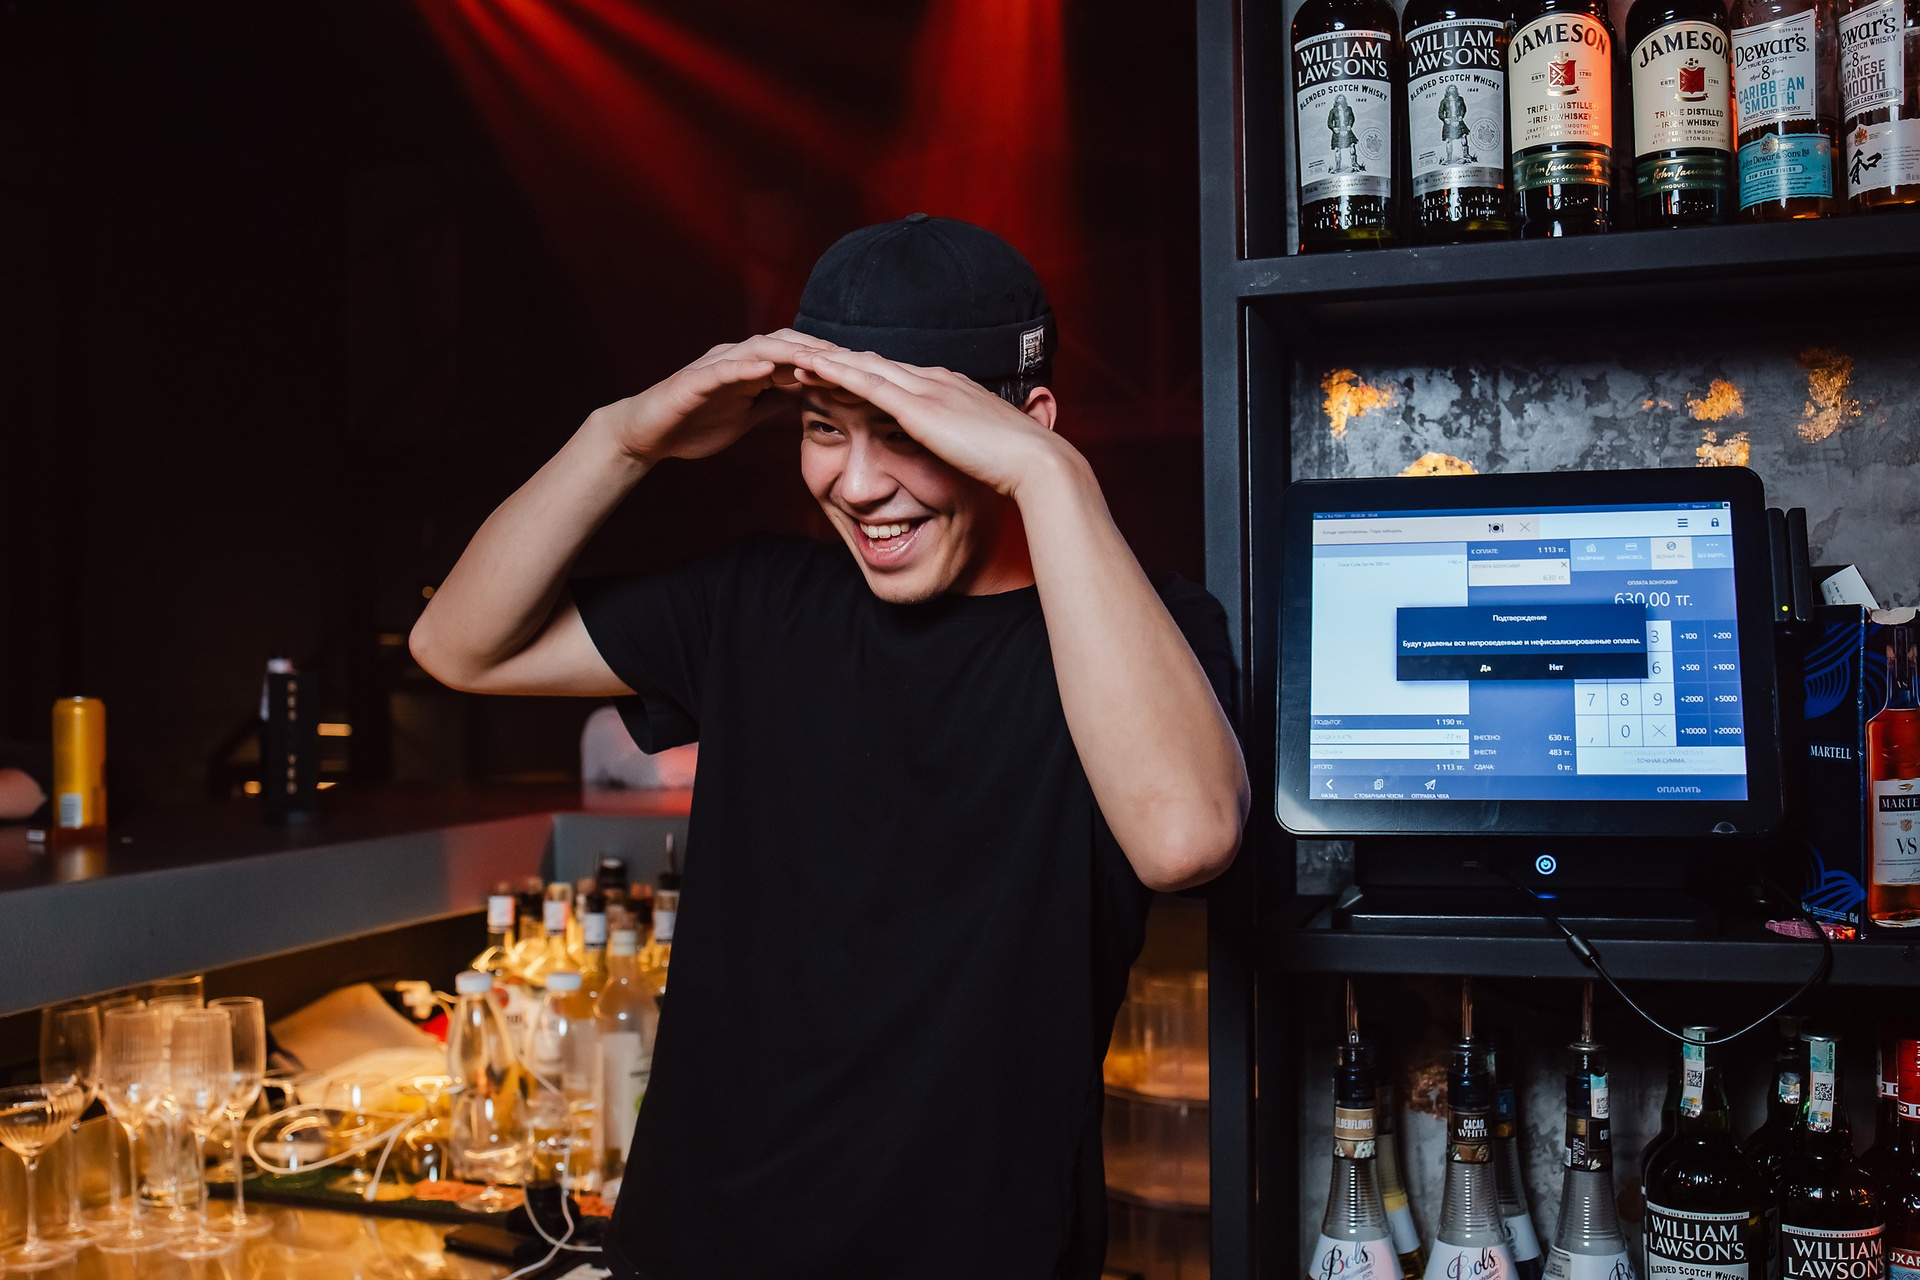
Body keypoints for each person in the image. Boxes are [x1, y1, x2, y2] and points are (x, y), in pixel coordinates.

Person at [409, 215, 1248, 1280]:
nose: (855, 483)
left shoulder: (1141, 635)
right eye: (822, 428)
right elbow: (458, 646)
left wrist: (1054, 478)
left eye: (904, 430)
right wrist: (622, 438)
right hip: (693, 1251)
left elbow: (1185, 839)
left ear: (1023, 429)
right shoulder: (759, 601)